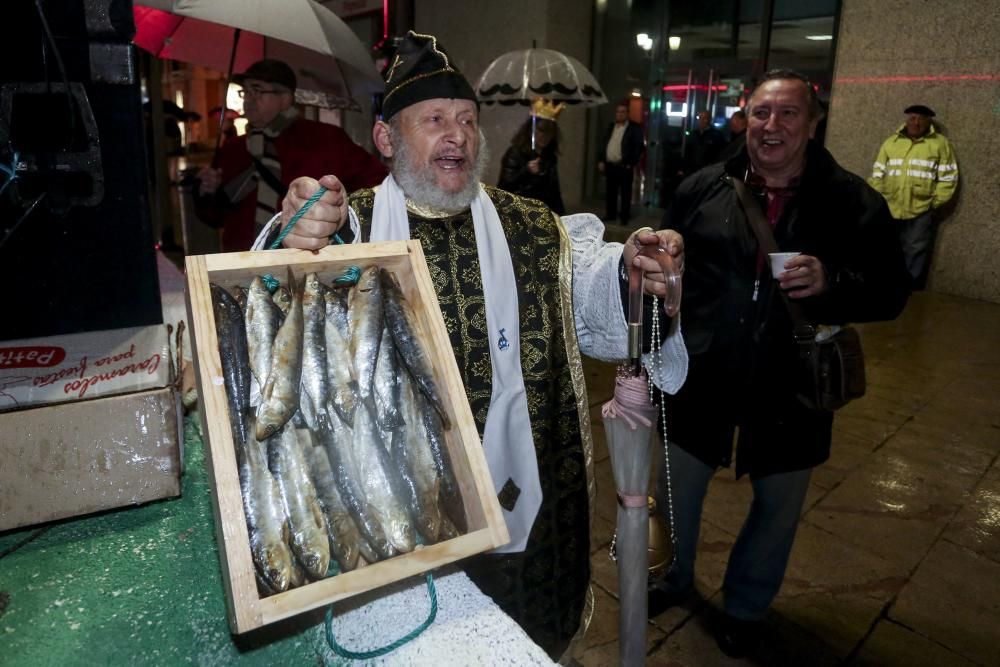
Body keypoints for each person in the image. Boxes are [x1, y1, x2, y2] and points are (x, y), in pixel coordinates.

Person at [259, 31, 688, 660]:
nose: (455, 134)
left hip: (528, 500)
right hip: (390, 497)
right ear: (386, 140)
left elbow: (594, 291)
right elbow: (268, 319)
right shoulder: (345, 226)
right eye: (433, 120)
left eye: (466, 120)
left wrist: (636, 275)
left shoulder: (533, 226)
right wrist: (291, 237)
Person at [649, 69, 910, 658]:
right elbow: (667, 269)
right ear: (747, 118)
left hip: (792, 386)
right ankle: (672, 576)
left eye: (788, 114)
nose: (772, 126)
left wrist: (832, 282)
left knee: (778, 508)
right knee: (675, 491)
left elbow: (892, 292)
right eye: (762, 114)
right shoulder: (702, 188)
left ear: (813, 124)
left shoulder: (852, 201)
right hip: (701, 374)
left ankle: (745, 607)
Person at [195, 59, 387, 251]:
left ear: (285, 98)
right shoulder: (233, 148)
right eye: (245, 91)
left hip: (306, 261)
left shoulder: (325, 139)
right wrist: (207, 192)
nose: (249, 99)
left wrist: (335, 212)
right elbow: (216, 217)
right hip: (240, 261)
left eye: (258, 91)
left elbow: (376, 185)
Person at [868, 104, 958, 289]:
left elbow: (948, 177)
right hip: (890, 204)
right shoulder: (891, 142)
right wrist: (878, 195)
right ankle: (886, 284)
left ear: (928, 122)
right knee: (887, 246)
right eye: (912, 118)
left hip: (921, 208)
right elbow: (878, 172)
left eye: (921, 119)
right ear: (906, 119)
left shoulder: (940, 144)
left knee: (915, 249)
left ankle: (908, 288)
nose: (916, 122)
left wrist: (935, 201)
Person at [497, 98, 565, 214]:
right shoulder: (515, 153)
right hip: (518, 211)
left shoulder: (550, 156)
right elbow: (503, 186)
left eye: (549, 132)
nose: (545, 136)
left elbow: (554, 191)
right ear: (531, 130)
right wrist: (526, 170)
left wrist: (561, 217)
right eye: (541, 130)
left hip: (542, 212)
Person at [597, 102, 644, 224]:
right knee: (611, 192)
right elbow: (604, 143)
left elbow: (639, 147)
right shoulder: (611, 126)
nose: (620, 114)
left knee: (625, 193)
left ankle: (624, 217)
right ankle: (610, 214)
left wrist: (631, 162)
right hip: (610, 165)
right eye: (618, 112)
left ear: (627, 114)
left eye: (623, 112)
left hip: (624, 166)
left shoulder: (634, 128)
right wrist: (601, 160)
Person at [684, 110, 727, 174]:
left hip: (708, 171)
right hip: (692, 170)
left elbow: (720, 154)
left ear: (709, 120)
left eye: (704, 118)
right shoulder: (693, 134)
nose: (701, 120)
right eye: (700, 118)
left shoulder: (716, 135)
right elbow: (687, 152)